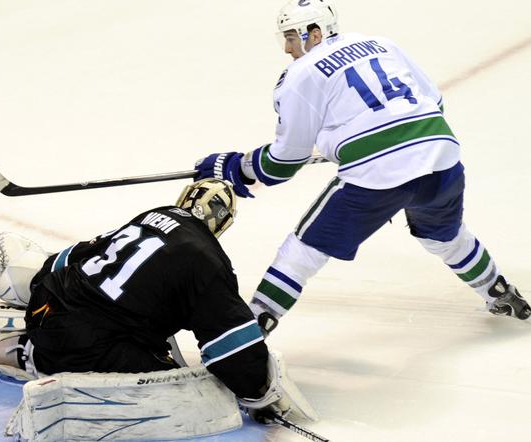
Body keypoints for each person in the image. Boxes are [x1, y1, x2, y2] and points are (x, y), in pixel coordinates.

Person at [193, 0, 529, 336]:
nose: (287, 48)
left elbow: (284, 162)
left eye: (292, 38)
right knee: (446, 235)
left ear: (314, 33)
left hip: (378, 175)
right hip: (441, 154)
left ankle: (248, 333)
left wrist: (236, 167)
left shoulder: (301, 74)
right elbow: (434, 101)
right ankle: (498, 290)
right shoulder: (380, 43)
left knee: (303, 249)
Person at [0, 178, 296, 420]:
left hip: (46, 307)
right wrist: (259, 394)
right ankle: (29, 357)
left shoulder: (152, 216)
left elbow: (72, 256)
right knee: (181, 384)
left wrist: (41, 285)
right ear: (223, 223)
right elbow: (233, 347)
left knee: (89, 326)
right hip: (88, 344)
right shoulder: (208, 260)